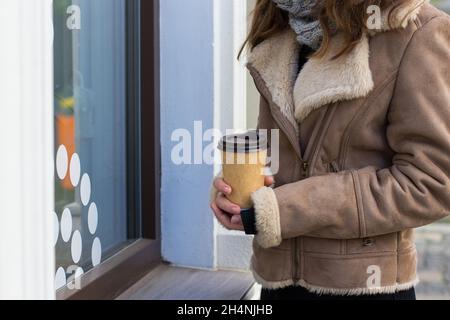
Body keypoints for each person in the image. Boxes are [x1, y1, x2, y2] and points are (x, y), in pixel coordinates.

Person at [210, 0, 450, 300]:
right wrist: (243, 188)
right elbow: (294, 149)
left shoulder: (413, 28)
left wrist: (285, 209)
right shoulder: (281, 22)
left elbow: (432, 183)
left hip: (363, 287)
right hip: (278, 284)